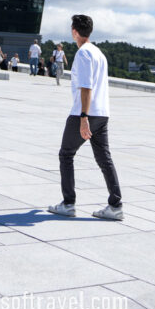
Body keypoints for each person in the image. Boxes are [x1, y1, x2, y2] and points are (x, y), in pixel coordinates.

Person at [48, 15, 123, 221]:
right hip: (103, 113)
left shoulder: (83, 54)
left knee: (66, 154)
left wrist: (83, 117)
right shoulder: (99, 53)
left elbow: (86, 87)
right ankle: (116, 206)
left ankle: (68, 203)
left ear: (74, 31)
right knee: (104, 159)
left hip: (85, 113)